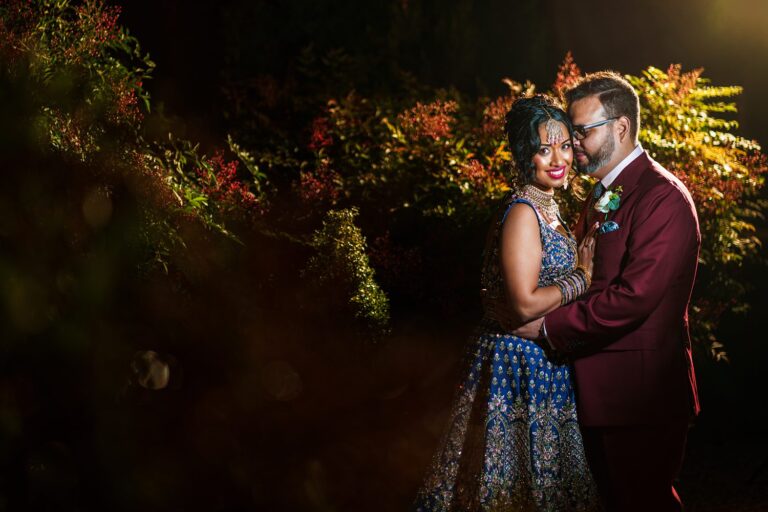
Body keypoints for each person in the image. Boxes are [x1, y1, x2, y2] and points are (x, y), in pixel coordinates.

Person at [508, 72, 701, 511]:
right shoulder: (603, 194)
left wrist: (547, 328)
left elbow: (635, 297)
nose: (573, 143)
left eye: (582, 131)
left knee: (642, 501)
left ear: (621, 127)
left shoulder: (662, 197)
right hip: (597, 391)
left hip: (638, 396)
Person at [414, 95, 601, 511]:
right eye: (543, 148)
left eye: (566, 145)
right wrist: (581, 279)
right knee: (506, 487)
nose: (558, 158)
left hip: (544, 361)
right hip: (513, 364)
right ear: (524, 155)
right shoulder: (522, 214)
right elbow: (522, 304)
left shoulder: (551, 212)